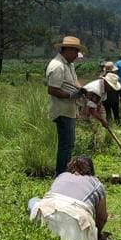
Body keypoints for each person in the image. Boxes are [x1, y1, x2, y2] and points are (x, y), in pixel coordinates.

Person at [29, 155, 107, 240]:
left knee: (33, 201)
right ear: (90, 170)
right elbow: (102, 217)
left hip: (47, 209)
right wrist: (97, 234)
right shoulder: (96, 183)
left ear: (70, 167)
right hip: (76, 217)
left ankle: (35, 229)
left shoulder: (62, 176)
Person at [46, 35, 84, 175]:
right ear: (67, 50)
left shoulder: (69, 65)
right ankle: (61, 174)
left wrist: (81, 89)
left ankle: (65, 172)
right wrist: (70, 95)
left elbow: (74, 81)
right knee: (65, 145)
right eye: (75, 52)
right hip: (62, 111)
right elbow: (52, 89)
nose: (76, 56)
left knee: (69, 144)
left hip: (70, 109)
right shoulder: (57, 66)